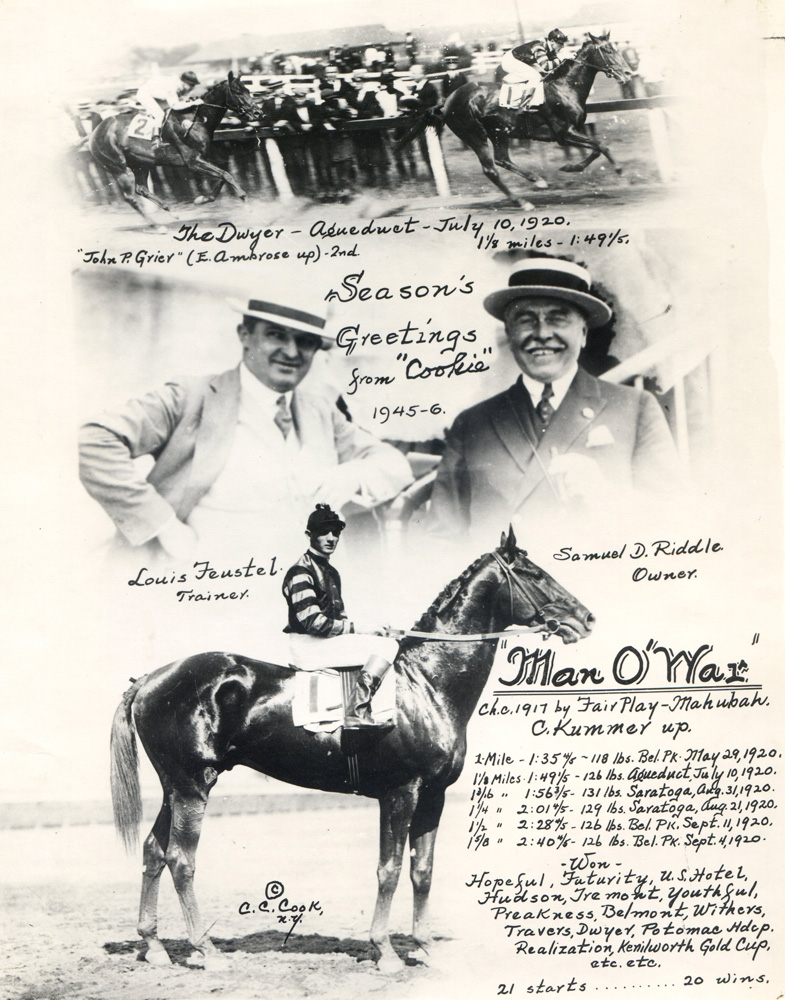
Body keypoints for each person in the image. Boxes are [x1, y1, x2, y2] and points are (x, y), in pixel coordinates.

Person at [79, 294, 413, 561]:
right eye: (276, 335)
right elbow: (92, 441)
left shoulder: (319, 410)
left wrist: (350, 475)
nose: (292, 352)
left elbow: (393, 465)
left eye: (306, 341)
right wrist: (165, 527)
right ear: (244, 336)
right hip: (195, 590)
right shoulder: (191, 397)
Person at [425, 256, 681, 536]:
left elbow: (672, 522)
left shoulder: (635, 409)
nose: (542, 333)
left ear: (583, 333)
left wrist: (608, 496)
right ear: (509, 334)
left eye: (557, 319)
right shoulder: (473, 424)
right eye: (526, 320)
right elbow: (441, 541)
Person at [283, 504, 397, 730]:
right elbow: (314, 623)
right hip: (308, 645)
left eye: (335, 532)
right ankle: (357, 713)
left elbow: (339, 618)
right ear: (309, 535)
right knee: (387, 647)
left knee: (386, 641)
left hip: (324, 641)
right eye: (324, 531)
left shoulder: (331, 572)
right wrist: (361, 629)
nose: (331, 537)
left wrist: (370, 629)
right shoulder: (300, 572)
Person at [499, 29, 568, 111]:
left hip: (521, 60)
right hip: (510, 60)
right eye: (560, 44)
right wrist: (561, 60)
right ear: (552, 41)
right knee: (535, 77)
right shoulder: (539, 46)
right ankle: (523, 104)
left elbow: (553, 67)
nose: (562, 46)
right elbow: (546, 66)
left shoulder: (550, 48)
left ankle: (535, 100)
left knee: (542, 75)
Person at [135, 70, 202, 146]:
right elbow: (175, 106)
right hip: (145, 94)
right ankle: (155, 139)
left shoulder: (180, 86)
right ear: (184, 82)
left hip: (157, 95)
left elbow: (181, 102)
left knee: (168, 112)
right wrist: (193, 103)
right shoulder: (172, 86)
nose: (192, 88)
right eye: (191, 85)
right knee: (160, 114)